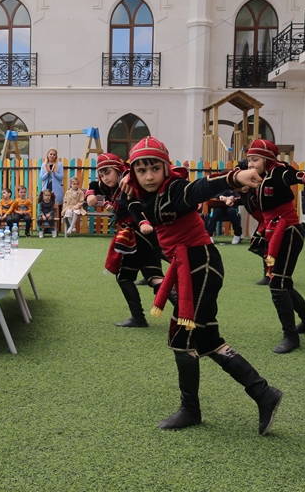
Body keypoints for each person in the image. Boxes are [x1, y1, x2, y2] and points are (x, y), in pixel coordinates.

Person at [121, 137, 283, 435]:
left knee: (180, 337)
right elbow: (129, 202)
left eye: (154, 168)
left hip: (201, 265)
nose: (148, 176)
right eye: (141, 170)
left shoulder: (174, 188)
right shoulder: (142, 193)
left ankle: (190, 410)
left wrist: (234, 177)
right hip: (191, 267)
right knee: (207, 340)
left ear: (165, 168)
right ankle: (264, 393)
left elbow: (200, 188)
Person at [240, 139, 305, 354]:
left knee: (277, 284)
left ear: (267, 159)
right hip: (273, 230)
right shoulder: (259, 176)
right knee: (283, 281)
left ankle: (291, 336)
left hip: (288, 232)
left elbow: (292, 175)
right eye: (249, 159)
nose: (251, 163)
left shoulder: (277, 171)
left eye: (255, 159)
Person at [89, 152, 164, 328]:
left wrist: (142, 222)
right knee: (153, 276)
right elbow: (94, 184)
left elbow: (134, 206)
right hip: (146, 234)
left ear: (118, 169)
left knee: (125, 276)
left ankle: (139, 318)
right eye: (102, 173)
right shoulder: (113, 184)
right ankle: (188, 317)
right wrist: (90, 194)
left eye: (107, 172)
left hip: (138, 232)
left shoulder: (128, 184)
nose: (104, 177)